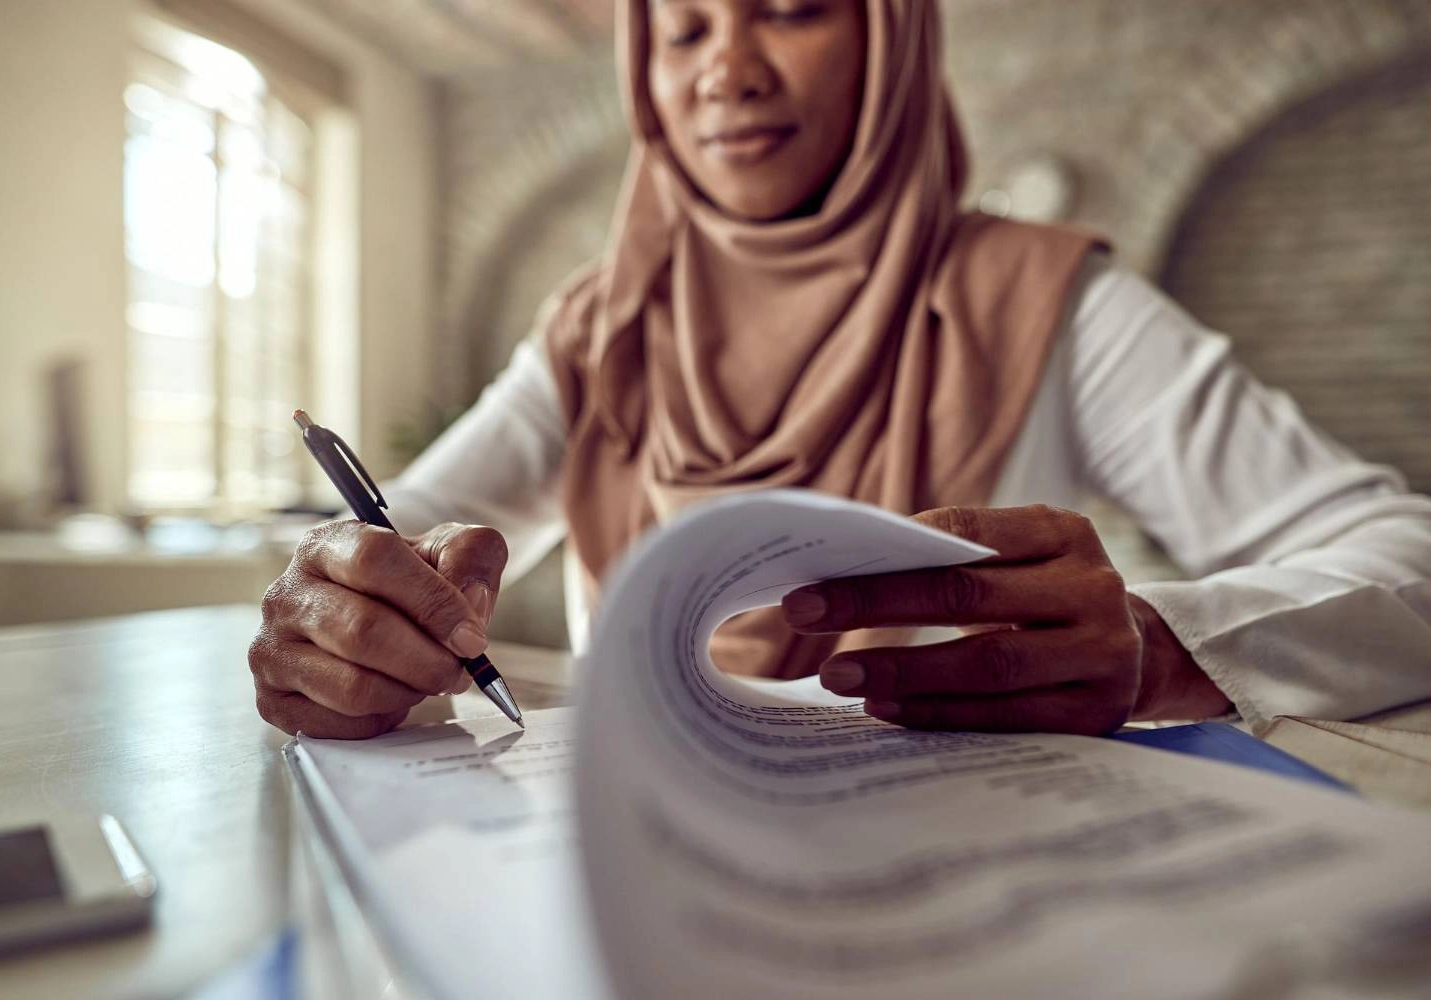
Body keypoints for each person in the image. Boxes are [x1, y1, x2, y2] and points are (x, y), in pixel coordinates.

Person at [249, 0, 1431, 741]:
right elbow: (398, 545)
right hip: (640, 899)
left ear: (891, 38)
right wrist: (351, 624)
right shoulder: (597, 330)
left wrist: (1164, 643)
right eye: (684, 27)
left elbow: (1408, 561)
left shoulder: (1044, 303)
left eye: (796, 8)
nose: (728, 70)